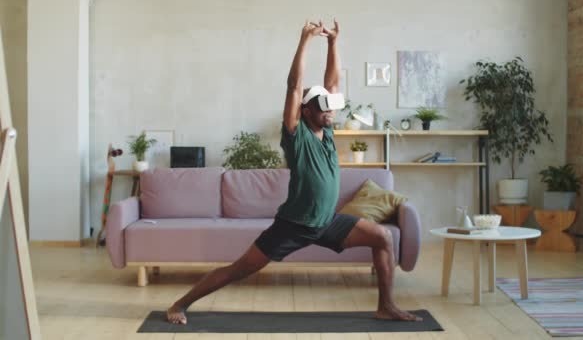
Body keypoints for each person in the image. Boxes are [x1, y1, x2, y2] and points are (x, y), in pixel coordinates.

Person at [166, 19, 422, 325]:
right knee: (240, 269)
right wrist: (305, 41)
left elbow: (333, 84)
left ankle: (386, 306)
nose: (330, 112)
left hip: (327, 221)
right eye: (323, 108)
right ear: (306, 111)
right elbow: (294, 86)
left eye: (331, 108)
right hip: (294, 225)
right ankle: (180, 305)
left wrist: (333, 43)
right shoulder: (295, 135)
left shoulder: (326, 133)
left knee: (382, 237)